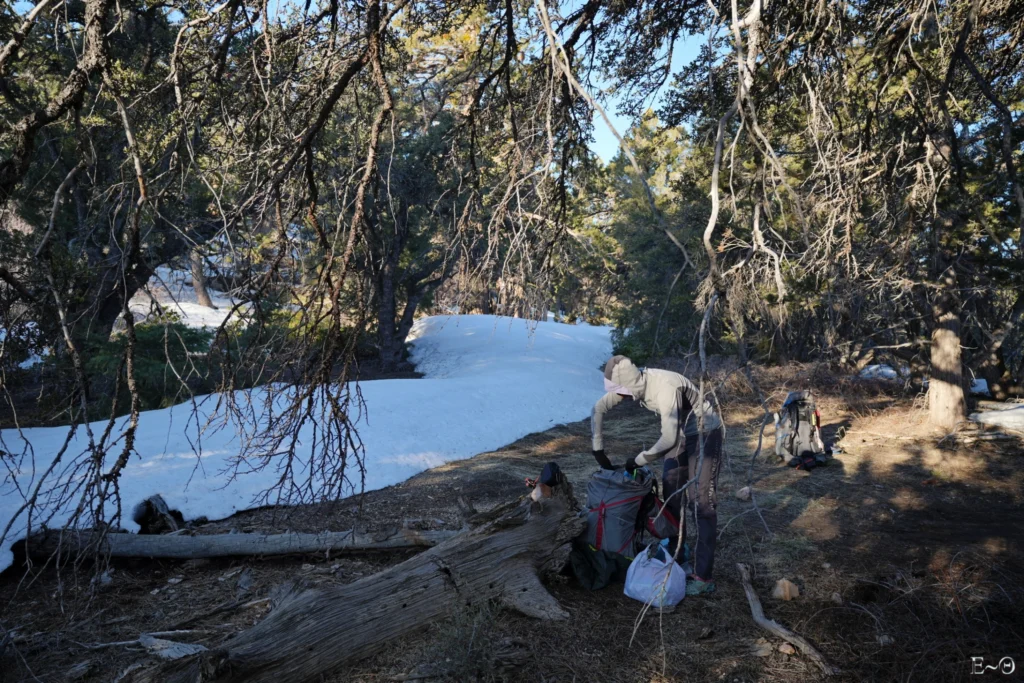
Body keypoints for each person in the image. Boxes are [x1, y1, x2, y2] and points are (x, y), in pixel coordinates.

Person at [590, 355, 723, 596]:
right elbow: (598, 408)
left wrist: (638, 460)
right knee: (670, 489)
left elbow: (668, 438)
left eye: (622, 392)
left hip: (705, 431)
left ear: (630, 384)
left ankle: (703, 575)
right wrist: (597, 449)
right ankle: (676, 550)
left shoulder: (664, 387)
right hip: (681, 434)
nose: (620, 398)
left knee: (701, 502)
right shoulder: (632, 387)